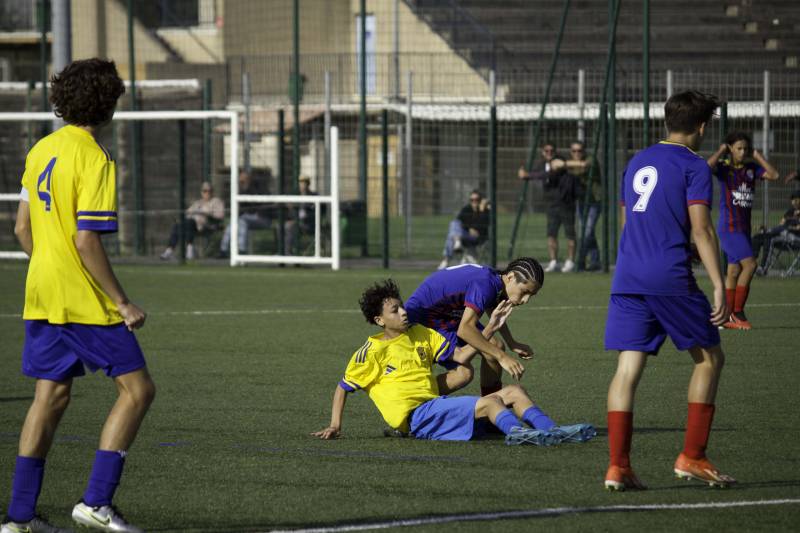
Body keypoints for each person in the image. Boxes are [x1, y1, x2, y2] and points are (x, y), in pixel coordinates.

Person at [2, 58, 154, 533]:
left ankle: (19, 518)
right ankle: (96, 502)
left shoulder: (42, 149)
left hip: (42, 292)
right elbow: (87, 239)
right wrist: (123, 301)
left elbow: (21, 227)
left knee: (50, 396)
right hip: (83, 299)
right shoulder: (95, 157)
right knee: (138, 390)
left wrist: (49, 266)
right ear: (108, 104)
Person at [604, 90, 735, 491]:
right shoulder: (695, 167)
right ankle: (693, 456)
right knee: (710, 358)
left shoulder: (637, 161)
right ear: (702, 126)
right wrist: (718, 284)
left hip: (627, 277)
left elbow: (628, 224)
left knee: (628, 369)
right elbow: (702, 229)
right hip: (669, 278)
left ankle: (618, 467)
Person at [312, 279, 594, 445]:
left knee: (515, 392)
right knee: (490, 402)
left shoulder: (421, 334)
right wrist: (335, 424)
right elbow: (343, 387)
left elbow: (460, 357)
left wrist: (491, 327)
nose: (404, 312)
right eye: (394, 310)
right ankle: (519, 434)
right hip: (416, 418)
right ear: (379, 320)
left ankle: (552, 431)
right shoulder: (371, 351)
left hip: (435, 407)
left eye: (402, 306)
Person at [404, 258, 542, 400]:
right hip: (423, 320)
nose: (526, 300)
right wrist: (502, 358)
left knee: (496, 346)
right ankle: (414, 398)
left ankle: (492, 408)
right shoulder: (485, 284)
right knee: (463, 373)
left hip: (447, 316)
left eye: (531, 295)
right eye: (525, 292)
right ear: (511, 277)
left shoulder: (495, 279)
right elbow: (465, 330)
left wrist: (511, 342)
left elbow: (491, 307)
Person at [707, 131, 780, 329]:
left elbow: (774, 175)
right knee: (750, 265)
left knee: (733, 271)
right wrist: (721, 149)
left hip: (743, 228)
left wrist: (757, 155)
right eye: (739, 148)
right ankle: (737, 313)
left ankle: (726, 316)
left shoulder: (751, 168)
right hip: (729, 228)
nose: (743, 152)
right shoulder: (724, 168)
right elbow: (705, 167)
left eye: (745, 148)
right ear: (731, 148)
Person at [518, 144, 577, 273]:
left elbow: (547, 174)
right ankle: (553, 261)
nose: (549, 152)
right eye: (546, 151)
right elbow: (537, 173)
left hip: (566, 204)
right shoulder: (541, 164)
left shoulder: (559, 161)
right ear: (543, 152)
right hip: (551, 205)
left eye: (552, 150)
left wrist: (528, 175)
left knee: (570, 234)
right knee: (551, 235)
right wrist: (524, 173)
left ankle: (570, 261)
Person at [160, 181, 224, 260]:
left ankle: (190, 251)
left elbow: (220, 216)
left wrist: (207, 214)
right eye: (205, 191)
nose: (207, 193)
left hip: (207, 225)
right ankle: (169, 251)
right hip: (192, 225)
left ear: (212, 191)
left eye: (209, 191)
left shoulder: (216, 201)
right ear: (201, 192)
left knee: (190, 222)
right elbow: (187, 213)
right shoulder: (197, 203)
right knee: (177, 225)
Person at [567, 141, 603, 271]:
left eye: (579, 151)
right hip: (581, 201)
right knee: (589, 232)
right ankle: (595, 261)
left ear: (584, 151)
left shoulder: (590, 159)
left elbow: (585, 165)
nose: (577, 153)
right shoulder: (571, 163)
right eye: (574, 151)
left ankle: (580, 262)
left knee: (586, 232)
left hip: (595, 200)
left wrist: (562, 164)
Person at [219, 170, 272, 256]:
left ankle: (241, 250)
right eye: (241, 180)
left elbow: (264, 205)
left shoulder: (258, 188)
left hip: (262, 218)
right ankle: (224, 249)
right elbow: (237, 208)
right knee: (235, 223)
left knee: (242, 221)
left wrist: (247, 189)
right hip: (245, 218)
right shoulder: (238, 190)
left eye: (245, 179)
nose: (242, 182)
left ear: (249, 179)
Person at [437, 190, 490, 269]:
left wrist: (482, 211)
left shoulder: (485, 212)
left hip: (478, 238)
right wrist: (469, 229)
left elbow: (482, 227)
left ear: (481, 200)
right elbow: (459, 222)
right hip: (465, 236)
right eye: (472, 200)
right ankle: (457, 242)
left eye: (476, 200)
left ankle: (446, 259)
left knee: (452, 233)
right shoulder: (467, 209)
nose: (474, 202)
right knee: (454, 223)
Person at [753, 190, 800, 273]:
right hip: (782, 235)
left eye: (796, 200)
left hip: (795, 238)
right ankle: (751, 264)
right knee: (757, 237)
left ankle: (763, 268)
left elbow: (797, 228)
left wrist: (788, 227)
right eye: (792, 200)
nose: (794, 203)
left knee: (771, 239)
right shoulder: (791, 211)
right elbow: (781, 224)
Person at [283, 175, 316, 255]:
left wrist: (304, 217)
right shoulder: (295, 195)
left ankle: (287, 252)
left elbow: (317, 212)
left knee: (289, 226)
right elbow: (290, 212)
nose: (302, 185)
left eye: (304, 183)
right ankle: (282, 251)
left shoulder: (314, 196)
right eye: (301, 182)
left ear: (308, 184)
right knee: (281, 226)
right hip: (295, 221)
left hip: (308, 224)